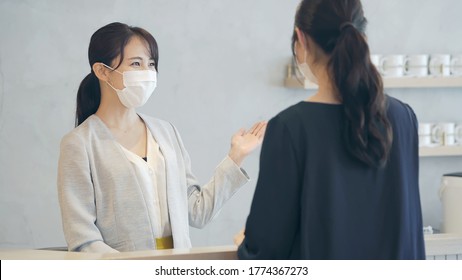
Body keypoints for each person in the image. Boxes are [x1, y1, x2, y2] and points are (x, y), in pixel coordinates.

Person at [235, 0, 425, 259]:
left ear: (300, 38)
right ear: (362, 36)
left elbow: (266, 252)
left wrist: (245, 246)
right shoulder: (404, 119)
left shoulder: (290, 130)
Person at [57, 22, 266, 253]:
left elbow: (198, 212)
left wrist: (236, 156)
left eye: (151, 64)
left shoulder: (167, 133)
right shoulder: (79, 144)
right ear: (102, 71)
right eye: (136, 63)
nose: (147, 72)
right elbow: (83, 238)